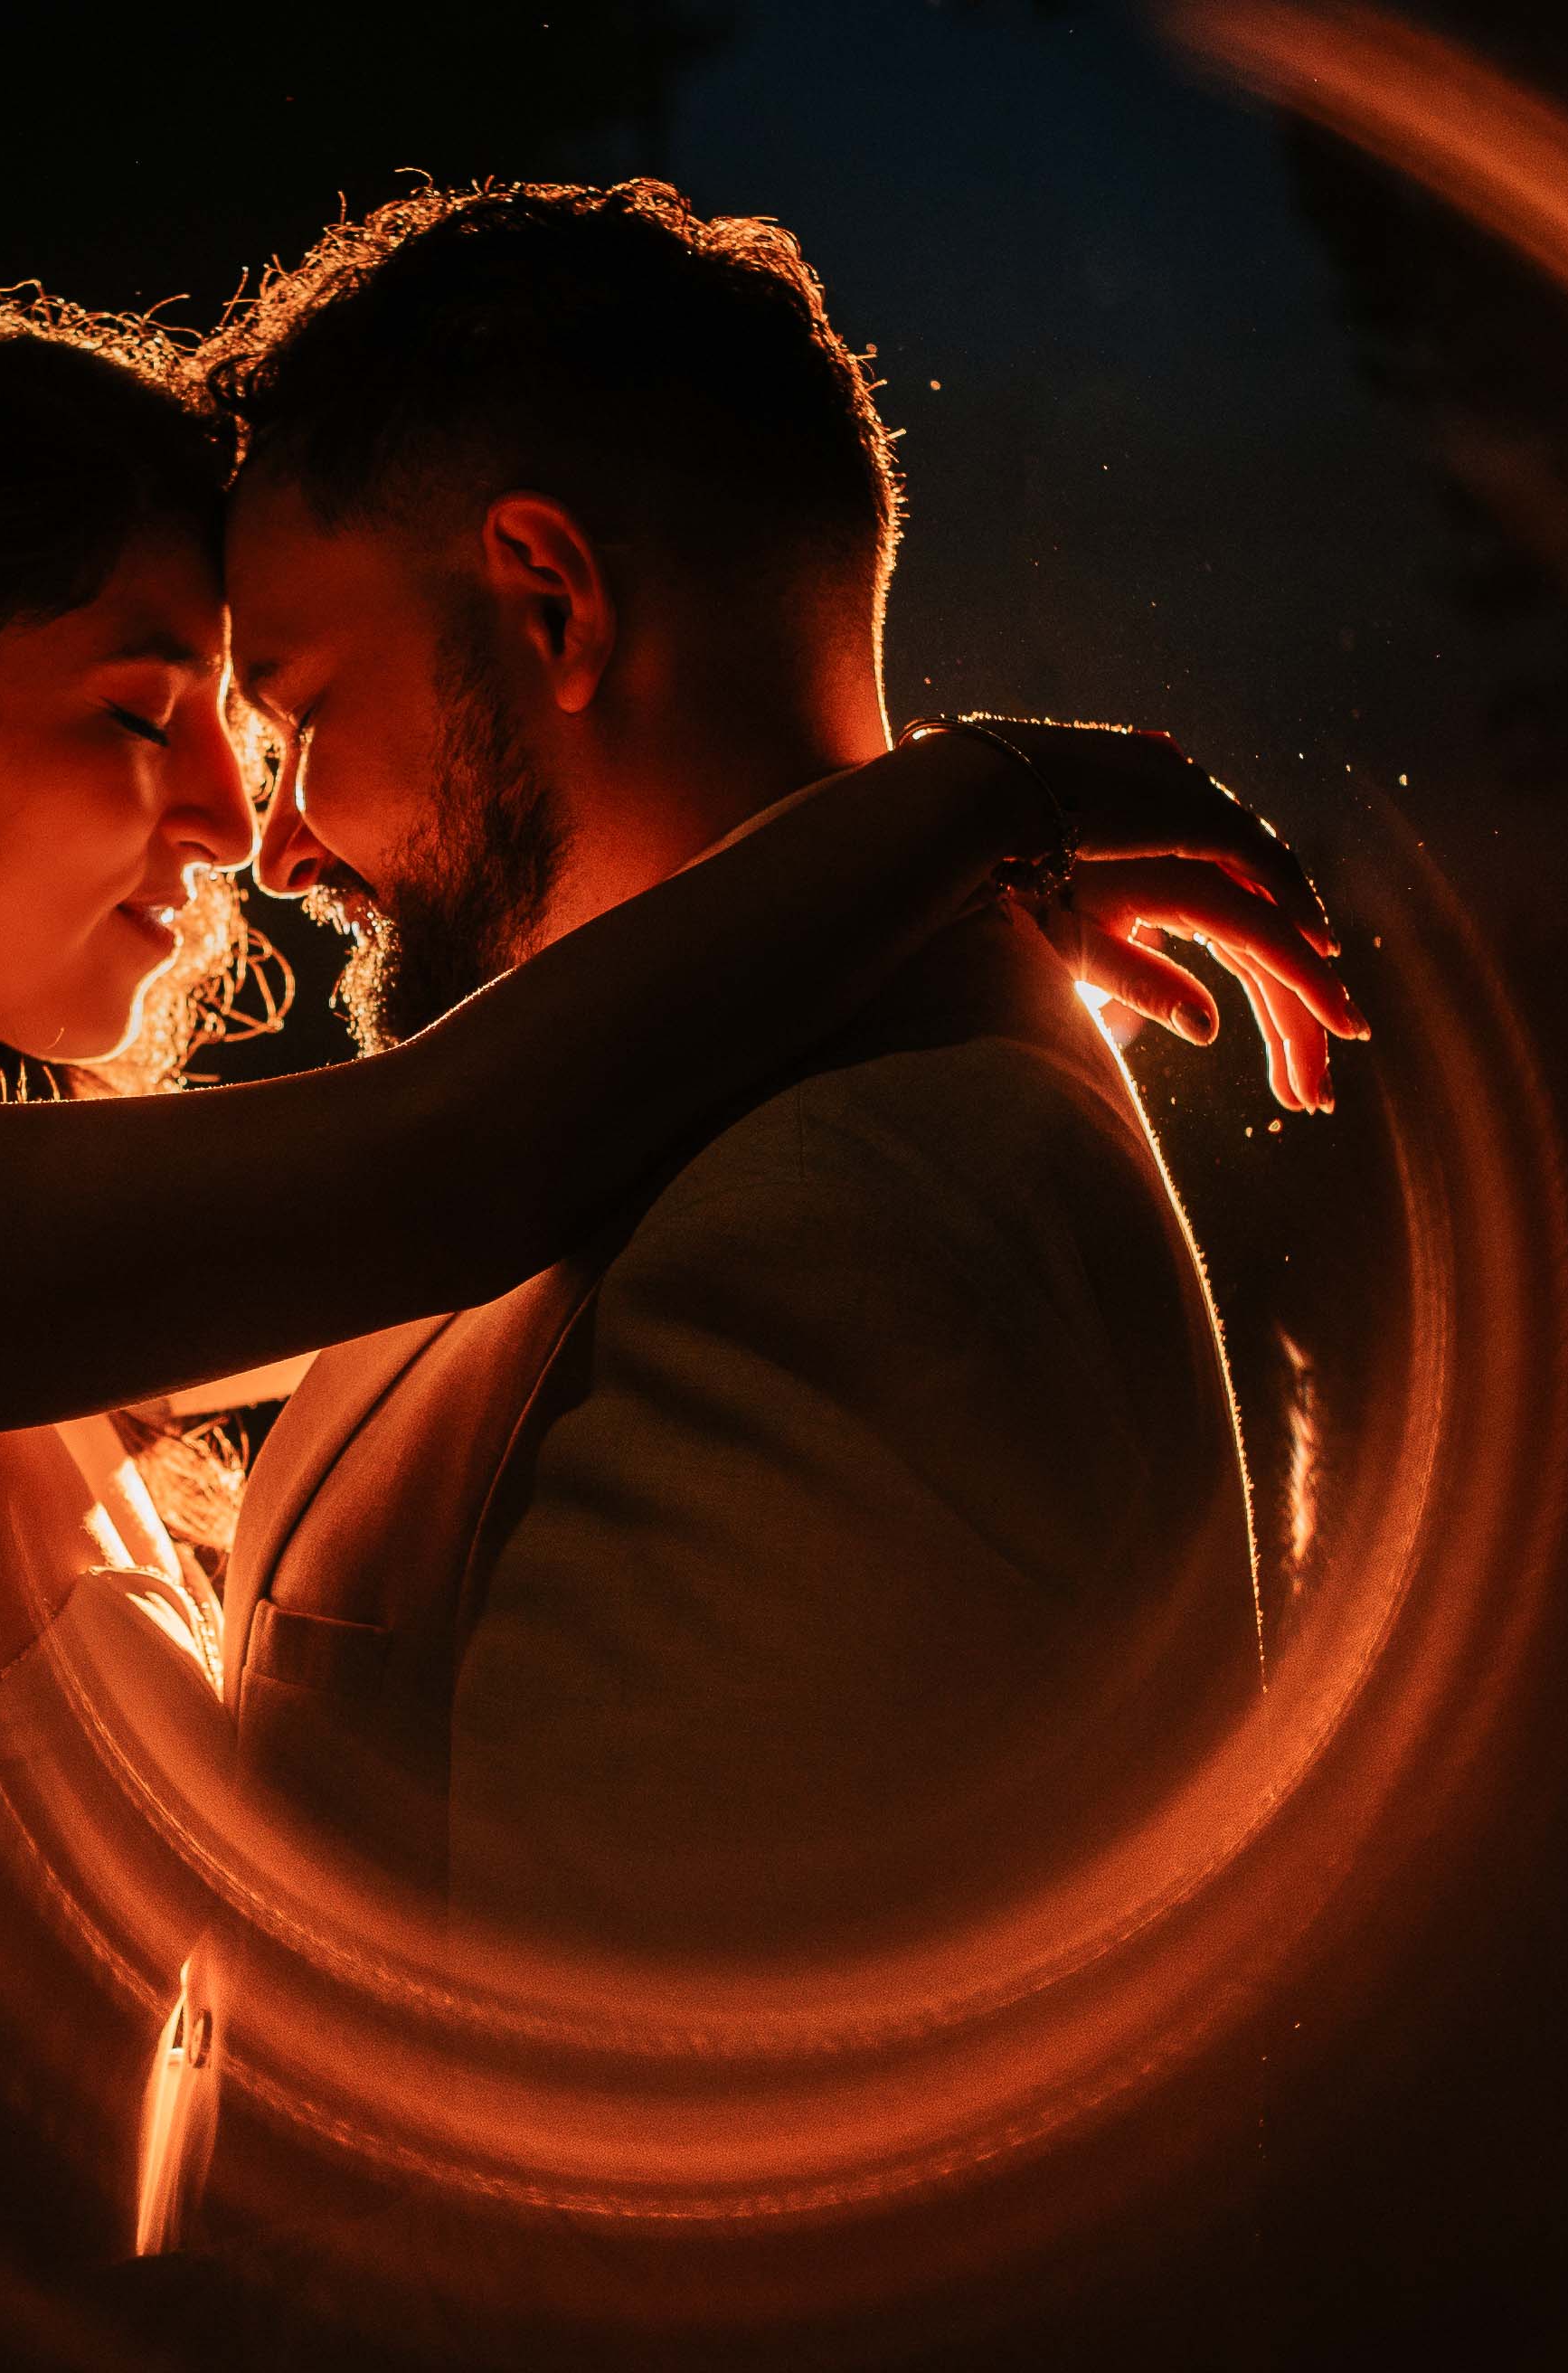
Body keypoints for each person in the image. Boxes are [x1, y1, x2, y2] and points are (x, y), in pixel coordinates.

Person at [0, 260, 1355, 2366]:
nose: (233, 826)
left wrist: (923, 912)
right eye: (148, 719)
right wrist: (976, 801)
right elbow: (440, 1167)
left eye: (249, 723)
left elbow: (514, 1214)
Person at [168, 180, 1354, 2351]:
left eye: (292, 707)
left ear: (548, 602)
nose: (269, 835)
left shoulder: (851, 1213)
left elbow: (669, 2255)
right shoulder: (641, 1121)